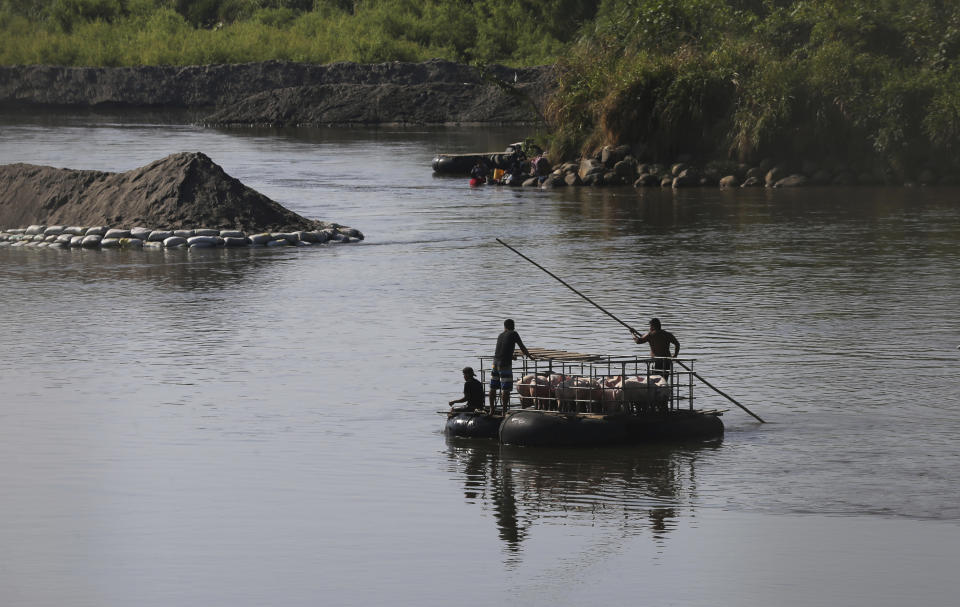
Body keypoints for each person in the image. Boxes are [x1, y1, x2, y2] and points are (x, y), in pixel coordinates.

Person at [489, 319, 534, 415]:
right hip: (505, 364)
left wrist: (512, 356)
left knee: (493, 388)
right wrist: (529, 356)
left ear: (504, 326)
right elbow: (522, 346)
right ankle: (504, 411)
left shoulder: (500, 335)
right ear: (513, 326)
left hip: (495, 363)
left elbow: (502, 350)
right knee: (505, 389)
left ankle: (491, 410)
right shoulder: (514, 333)